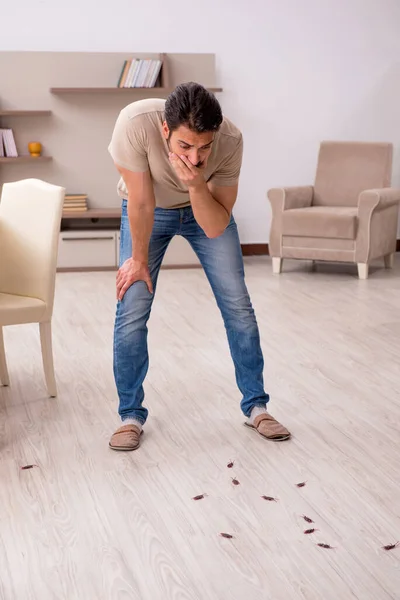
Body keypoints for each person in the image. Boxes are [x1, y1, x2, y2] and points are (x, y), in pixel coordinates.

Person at [107, 82, 290, 451]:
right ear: (165, 131)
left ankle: (257, 406)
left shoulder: (231, 141)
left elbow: (215, 225)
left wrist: (194, 187)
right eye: (184, 146)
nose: (195, 158)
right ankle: (130, 415)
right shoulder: (135, 123)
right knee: (132, 305)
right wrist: (138, 262)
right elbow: (141, 202)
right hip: (150, 210)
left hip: (205, 209)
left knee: (238, 305)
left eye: (204, 147)